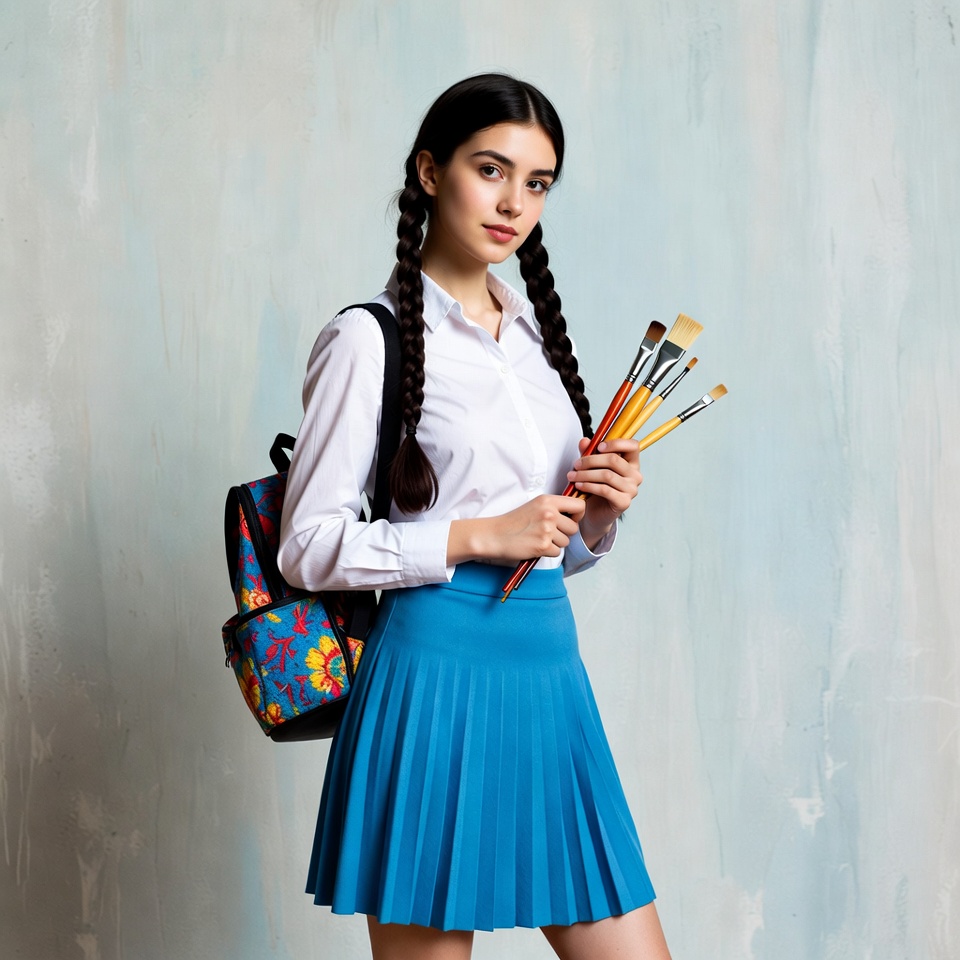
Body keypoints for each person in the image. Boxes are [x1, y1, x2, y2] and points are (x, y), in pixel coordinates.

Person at [278, 73, 671, 960]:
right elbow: (306, 545)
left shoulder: (538, 346)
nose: (514, 202)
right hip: (431, 677)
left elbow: (557, 544)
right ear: (429, 171)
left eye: (537, 183)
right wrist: (477, 537)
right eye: (491, 170)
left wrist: (600, 515)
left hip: (549, 675)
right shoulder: (367, 338)